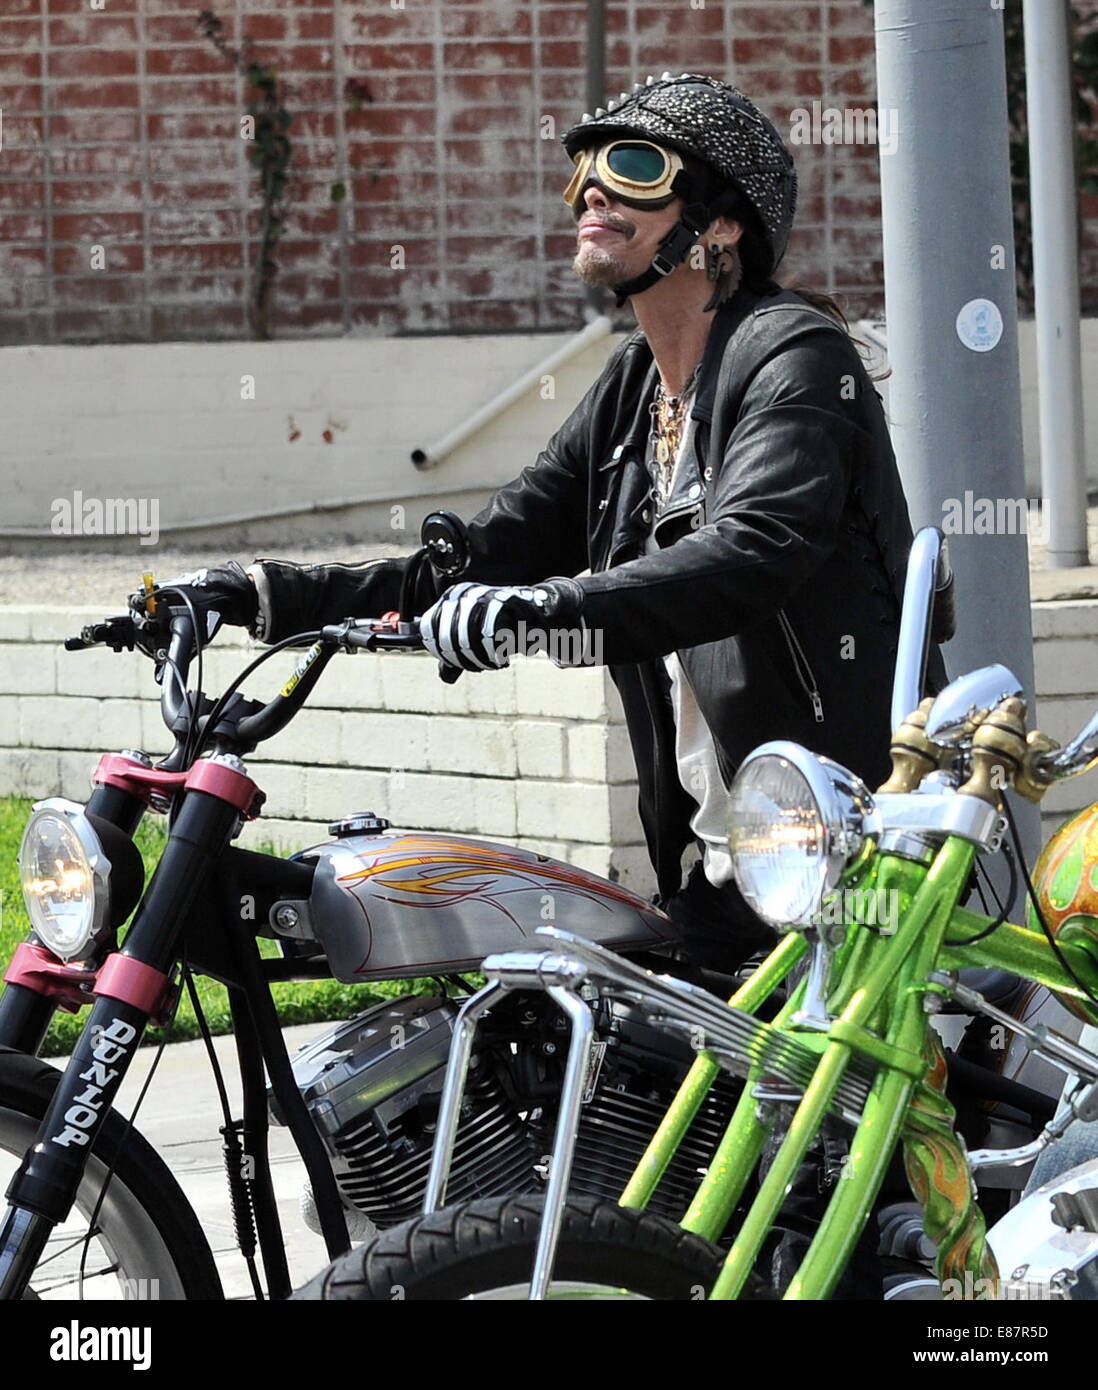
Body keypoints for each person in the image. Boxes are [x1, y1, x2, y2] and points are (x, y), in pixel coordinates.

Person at [174, 73, 925, 983]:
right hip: (730, 871)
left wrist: (540, 607)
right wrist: (261, 596)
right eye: (584, 172)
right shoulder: (632, 391)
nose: (594, 192)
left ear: (720, 224)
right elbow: (484, 556)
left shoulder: (794, 355)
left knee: (839, 1124)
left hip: (852, 854)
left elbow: (749, 552)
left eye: (635, 166)